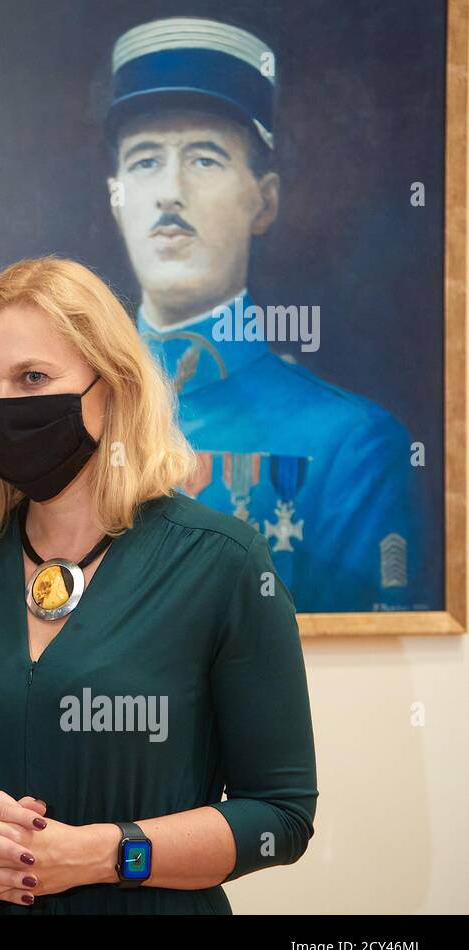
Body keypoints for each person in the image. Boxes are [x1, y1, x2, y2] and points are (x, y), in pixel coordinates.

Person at [0, 256, 318, 913]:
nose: (4, 408)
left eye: (32, 377)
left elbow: (280, 815)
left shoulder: (223, 562)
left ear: (110, 385)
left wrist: (102, 854)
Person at [105, 16, 423, 613]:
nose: (170, 190)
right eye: (146, 160)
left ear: (265, 200)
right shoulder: (71, 426)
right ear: (116, 198)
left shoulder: (350, 445)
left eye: (205, 159)